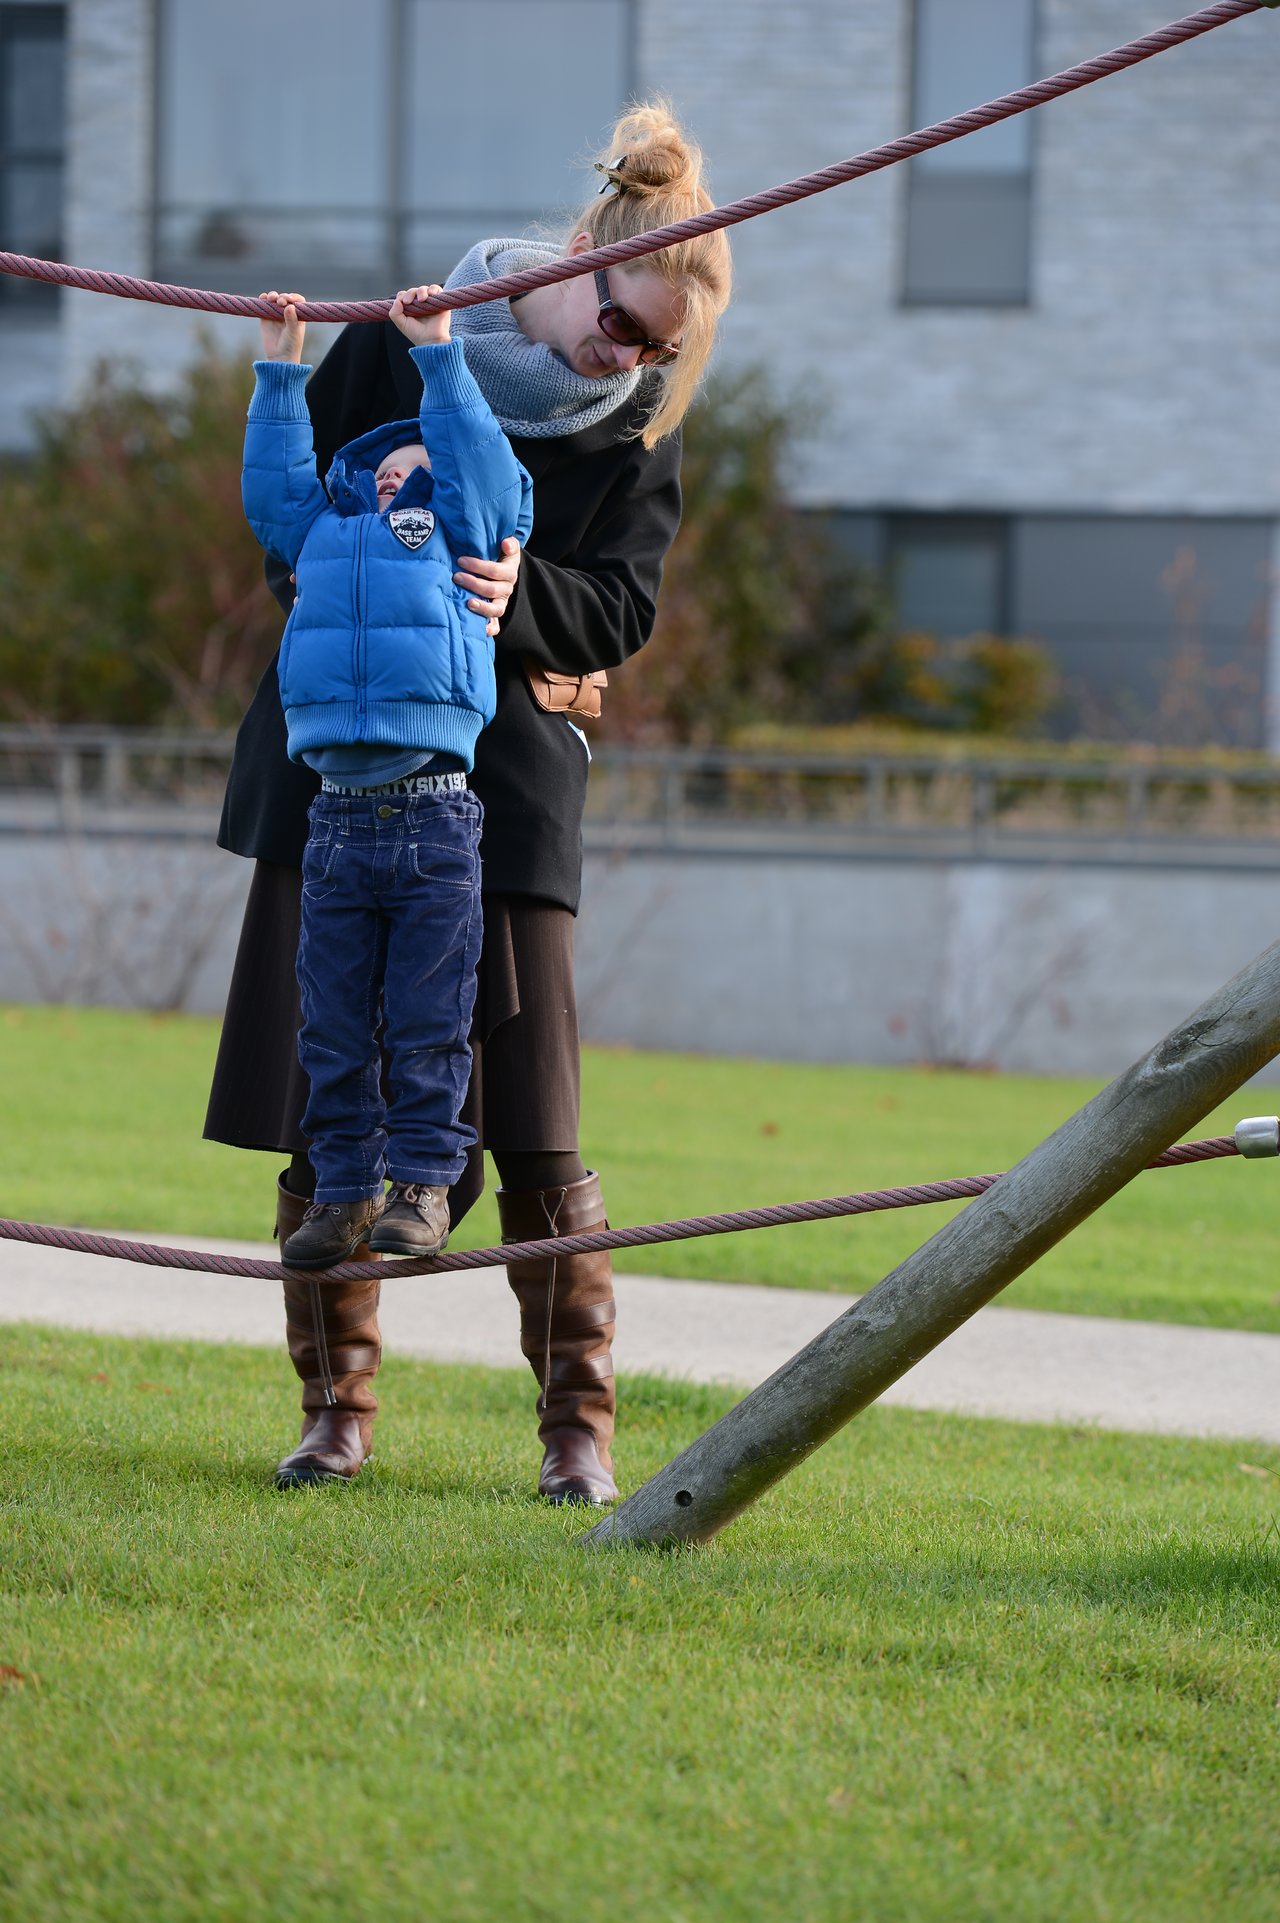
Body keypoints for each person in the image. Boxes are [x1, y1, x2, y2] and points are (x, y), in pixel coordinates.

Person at [205, 103, 733, 1501]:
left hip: (506, 788)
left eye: (659, 352)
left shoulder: (638, 420)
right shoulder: (396, 337)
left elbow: (616, 605)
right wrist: (402, 612)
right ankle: (336, 1412)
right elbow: (292, 531)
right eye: (624, 328)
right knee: (325, 1096)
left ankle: (577, 1432)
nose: (633, 362)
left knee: (541, 1124)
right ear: (579, 262)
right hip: (343, 765)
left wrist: (518, 599)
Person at [241, 284, 532, 1281]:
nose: (388, 484)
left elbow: (483, 472)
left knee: (426, 1014)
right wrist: (282, 368)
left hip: (434, 816)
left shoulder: (457, 525)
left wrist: (440, 359)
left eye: (412, 470)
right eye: (376, 472)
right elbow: (272, 490)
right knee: (327, 1019)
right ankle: (344, 1187)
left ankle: (420, 1186)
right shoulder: (325, 527)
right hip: (336, 817)